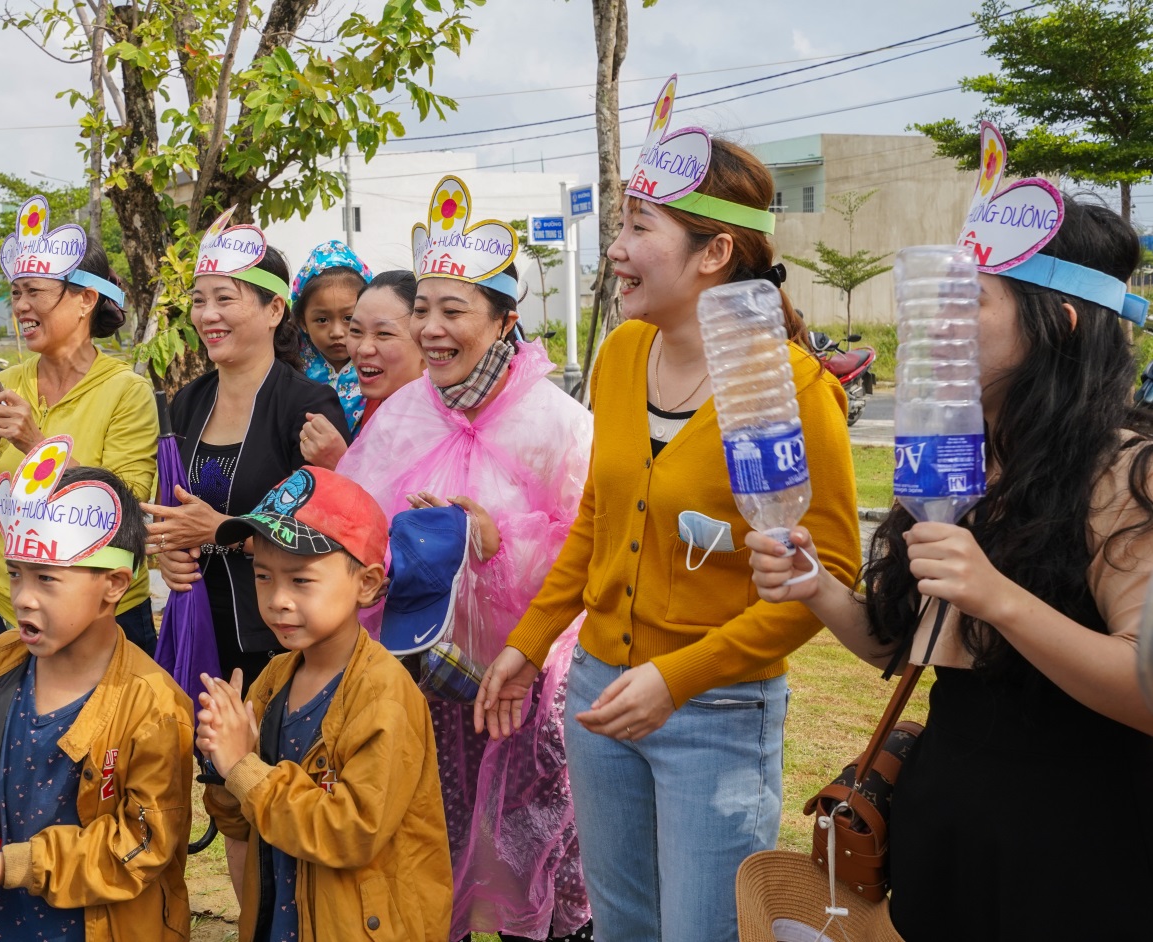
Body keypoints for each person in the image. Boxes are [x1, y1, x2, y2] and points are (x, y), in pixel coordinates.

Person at [478, 78, 861, 942]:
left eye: (637, 229)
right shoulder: (621, 353)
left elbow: (825, 577)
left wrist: (677, 679)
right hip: (599, 696)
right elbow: (597, 523)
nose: (616, 249)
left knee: (701, 932)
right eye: (620, 226)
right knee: (622, 927)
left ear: (713, 253)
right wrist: (528, 642)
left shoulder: (791, 389)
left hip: (717, 714)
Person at [747, 145, 1153, 940]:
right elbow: (914, 650)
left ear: (1057, 324)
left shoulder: (1125, 474)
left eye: (967, 301)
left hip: (1081, 860)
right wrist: (817, 588)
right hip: (942, 846)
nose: (935, 321)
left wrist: (998, 595)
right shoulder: (960, 464)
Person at [338, 175, 594, 942]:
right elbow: (354, 524)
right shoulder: (404, 415)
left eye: (454, 311)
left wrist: (499, 540)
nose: (432, 329)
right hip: (430, 681)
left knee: (541, 854)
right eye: (423, 310)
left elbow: (593, 551)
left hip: (529, 686)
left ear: (505, 320)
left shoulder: (558, 422)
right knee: (437, 850)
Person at [0, 445, 194, 942]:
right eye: (17, 573)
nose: (23, 596)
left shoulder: (153, 705)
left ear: (113, 584)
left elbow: (141, 845)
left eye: (47, 578)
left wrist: (7, 867)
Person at [199, 466, 451, 942]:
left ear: (368, 583)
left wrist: (243, 768)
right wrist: (221, 759)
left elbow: (351, 831)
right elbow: (240, 817)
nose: (277, 600)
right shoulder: (273, 680)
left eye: (300, 581)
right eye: (263, 577)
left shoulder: (383, 694)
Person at [144, 210, 349, 689]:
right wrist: (168, 553)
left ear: (274, 309)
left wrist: (220, 531)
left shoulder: (307, 405)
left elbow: (325, 537)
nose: (207, 315)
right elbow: (173, 514)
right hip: (195, 626)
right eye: (199, 301)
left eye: (224, 299)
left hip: (279, 635)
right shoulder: (190, 400)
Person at [0, 195, 159, 655]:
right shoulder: (3, 384)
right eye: (16, 292)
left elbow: (128, 510)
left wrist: (35, 444)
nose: (20, 306)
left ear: (85, 299)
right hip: (12, 608)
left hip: (104, 615)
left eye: (34, 291)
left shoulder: (126, 391)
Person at [300, 270, 425, 469]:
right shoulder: (378, 400)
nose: (363, 348)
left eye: (384, 333)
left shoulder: (444, 425)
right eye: (356, 331)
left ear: (425, 339)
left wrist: (340, 463)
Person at [291, 239, 370, 432]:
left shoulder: (380, 365)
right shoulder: (291, 366)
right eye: (322, 320)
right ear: (303, 321)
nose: (336, 333)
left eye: (348, 318)